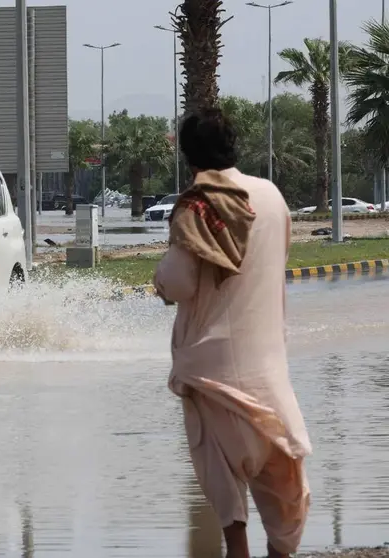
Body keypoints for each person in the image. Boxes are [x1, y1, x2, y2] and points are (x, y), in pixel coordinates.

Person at [153, 108, 312, 558]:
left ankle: (237, 550)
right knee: (282, 477)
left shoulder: (197, 205)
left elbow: (178, 283)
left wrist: (158, 280)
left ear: (189, 156)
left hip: (212, 371)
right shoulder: (272, 196)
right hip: (268, 366)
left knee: (225, 484)